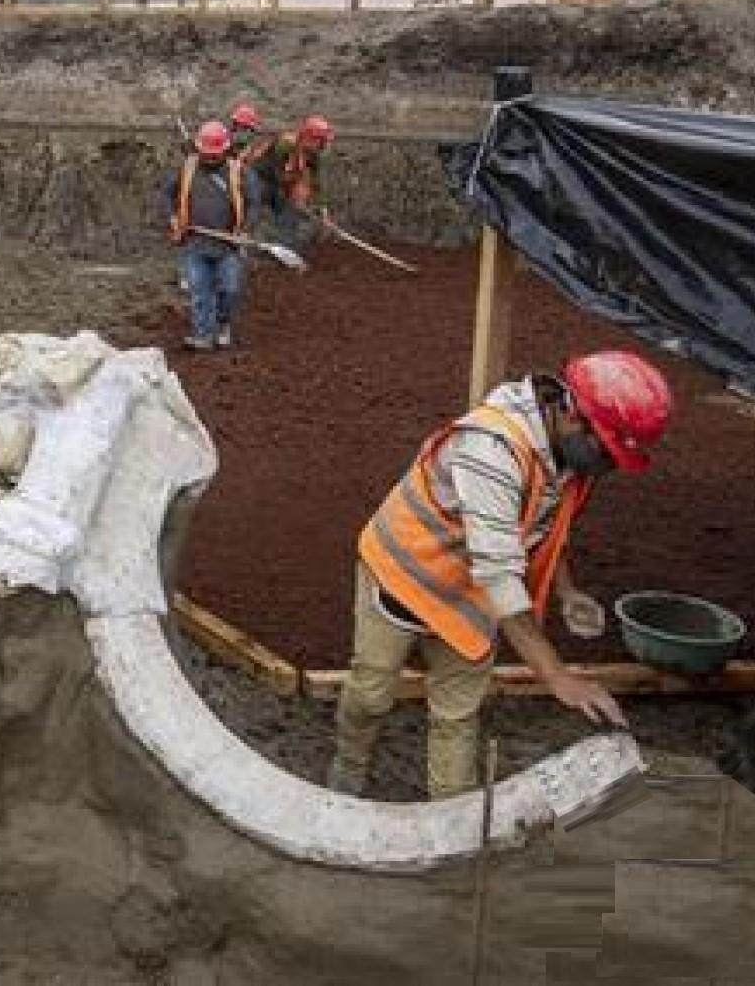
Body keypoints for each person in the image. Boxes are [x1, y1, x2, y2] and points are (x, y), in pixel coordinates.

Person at [327, 350, 674, 799]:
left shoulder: (567, 456)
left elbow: (542, 526)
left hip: (471, 591)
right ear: (571, 413)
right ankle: (349, 766)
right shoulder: (491, 451)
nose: (607, 467)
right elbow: (502, 581)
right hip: (408, 574)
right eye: (606, 451)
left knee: (458, 714)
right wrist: (557, 676)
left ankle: (453, 813)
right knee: (371, 692)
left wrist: (568, 591)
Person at [166, 121, 258, 351]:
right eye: (205, 155)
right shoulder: (186, 169)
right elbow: (167, 194)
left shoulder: (239, 172)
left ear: (224, 151)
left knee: (230, 288)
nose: (208, 159)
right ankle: (203, 335)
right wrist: (173, 217)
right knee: (199, 290)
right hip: (195, 242)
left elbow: (253, 203)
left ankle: (223, 324)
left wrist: (246, 229)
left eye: (214, 156)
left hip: (228, 245)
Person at [259, 113, 334, 249]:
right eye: (322, 141)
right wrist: (291, 194)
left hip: (281, 181)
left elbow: (316, 183)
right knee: (286, 206)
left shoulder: (313, 154)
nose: (324, 145)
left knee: (292, 213)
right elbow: (274, 173)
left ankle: (285, 247)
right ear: (310, 139)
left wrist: (323, 210)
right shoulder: (285, 145)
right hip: (260, 179)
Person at [227, 102, 270, 167]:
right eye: (236, 125)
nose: (239, 131)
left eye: (245, 128)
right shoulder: (226, 143)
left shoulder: (258, 147)